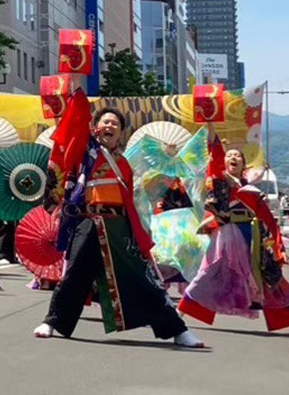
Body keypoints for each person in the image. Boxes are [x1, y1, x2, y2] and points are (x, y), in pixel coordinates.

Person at [32, 107, 204, 347]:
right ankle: (52, 322)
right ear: (95, 128)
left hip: (119, 226)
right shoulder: (85, 153)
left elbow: (133, 198)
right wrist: (73, 96)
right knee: (74, 275)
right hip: (89, 222)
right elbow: (72, 129)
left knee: (143, 279)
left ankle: (178, 331)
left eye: (115, 124)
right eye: (106, 122)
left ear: (121, 133)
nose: (110, 126)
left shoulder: (123, 163)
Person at [178, 144, 289, 338]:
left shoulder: (250, 189)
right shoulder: (220, 182)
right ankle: (178, 315)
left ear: (244, 164)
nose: (233, 158)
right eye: (229, 155)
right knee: (207, 275)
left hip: (253, 237)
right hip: (226, 237)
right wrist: (212, 131)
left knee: (273, 278)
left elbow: (267, 218)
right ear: (223, 162)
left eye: (237, 156)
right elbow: (215, 154)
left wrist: (277, 245)